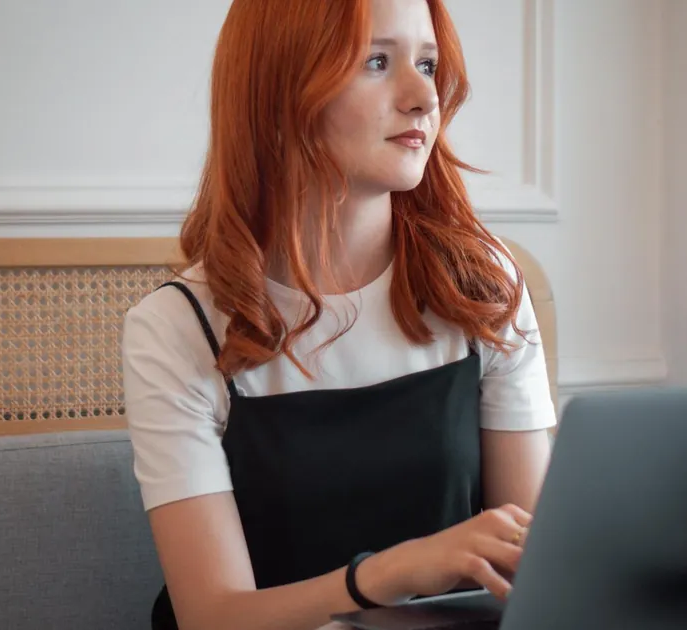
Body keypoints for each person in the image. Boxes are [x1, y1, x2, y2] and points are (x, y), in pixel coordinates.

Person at [121, 0, 558, 628]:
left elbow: (532, 566)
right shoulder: (177, 328)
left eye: (429, 65)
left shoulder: (483, 284)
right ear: (277, 93)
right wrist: (389, 573)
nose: (422, 98)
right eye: (377, 62)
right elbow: (212, 616)